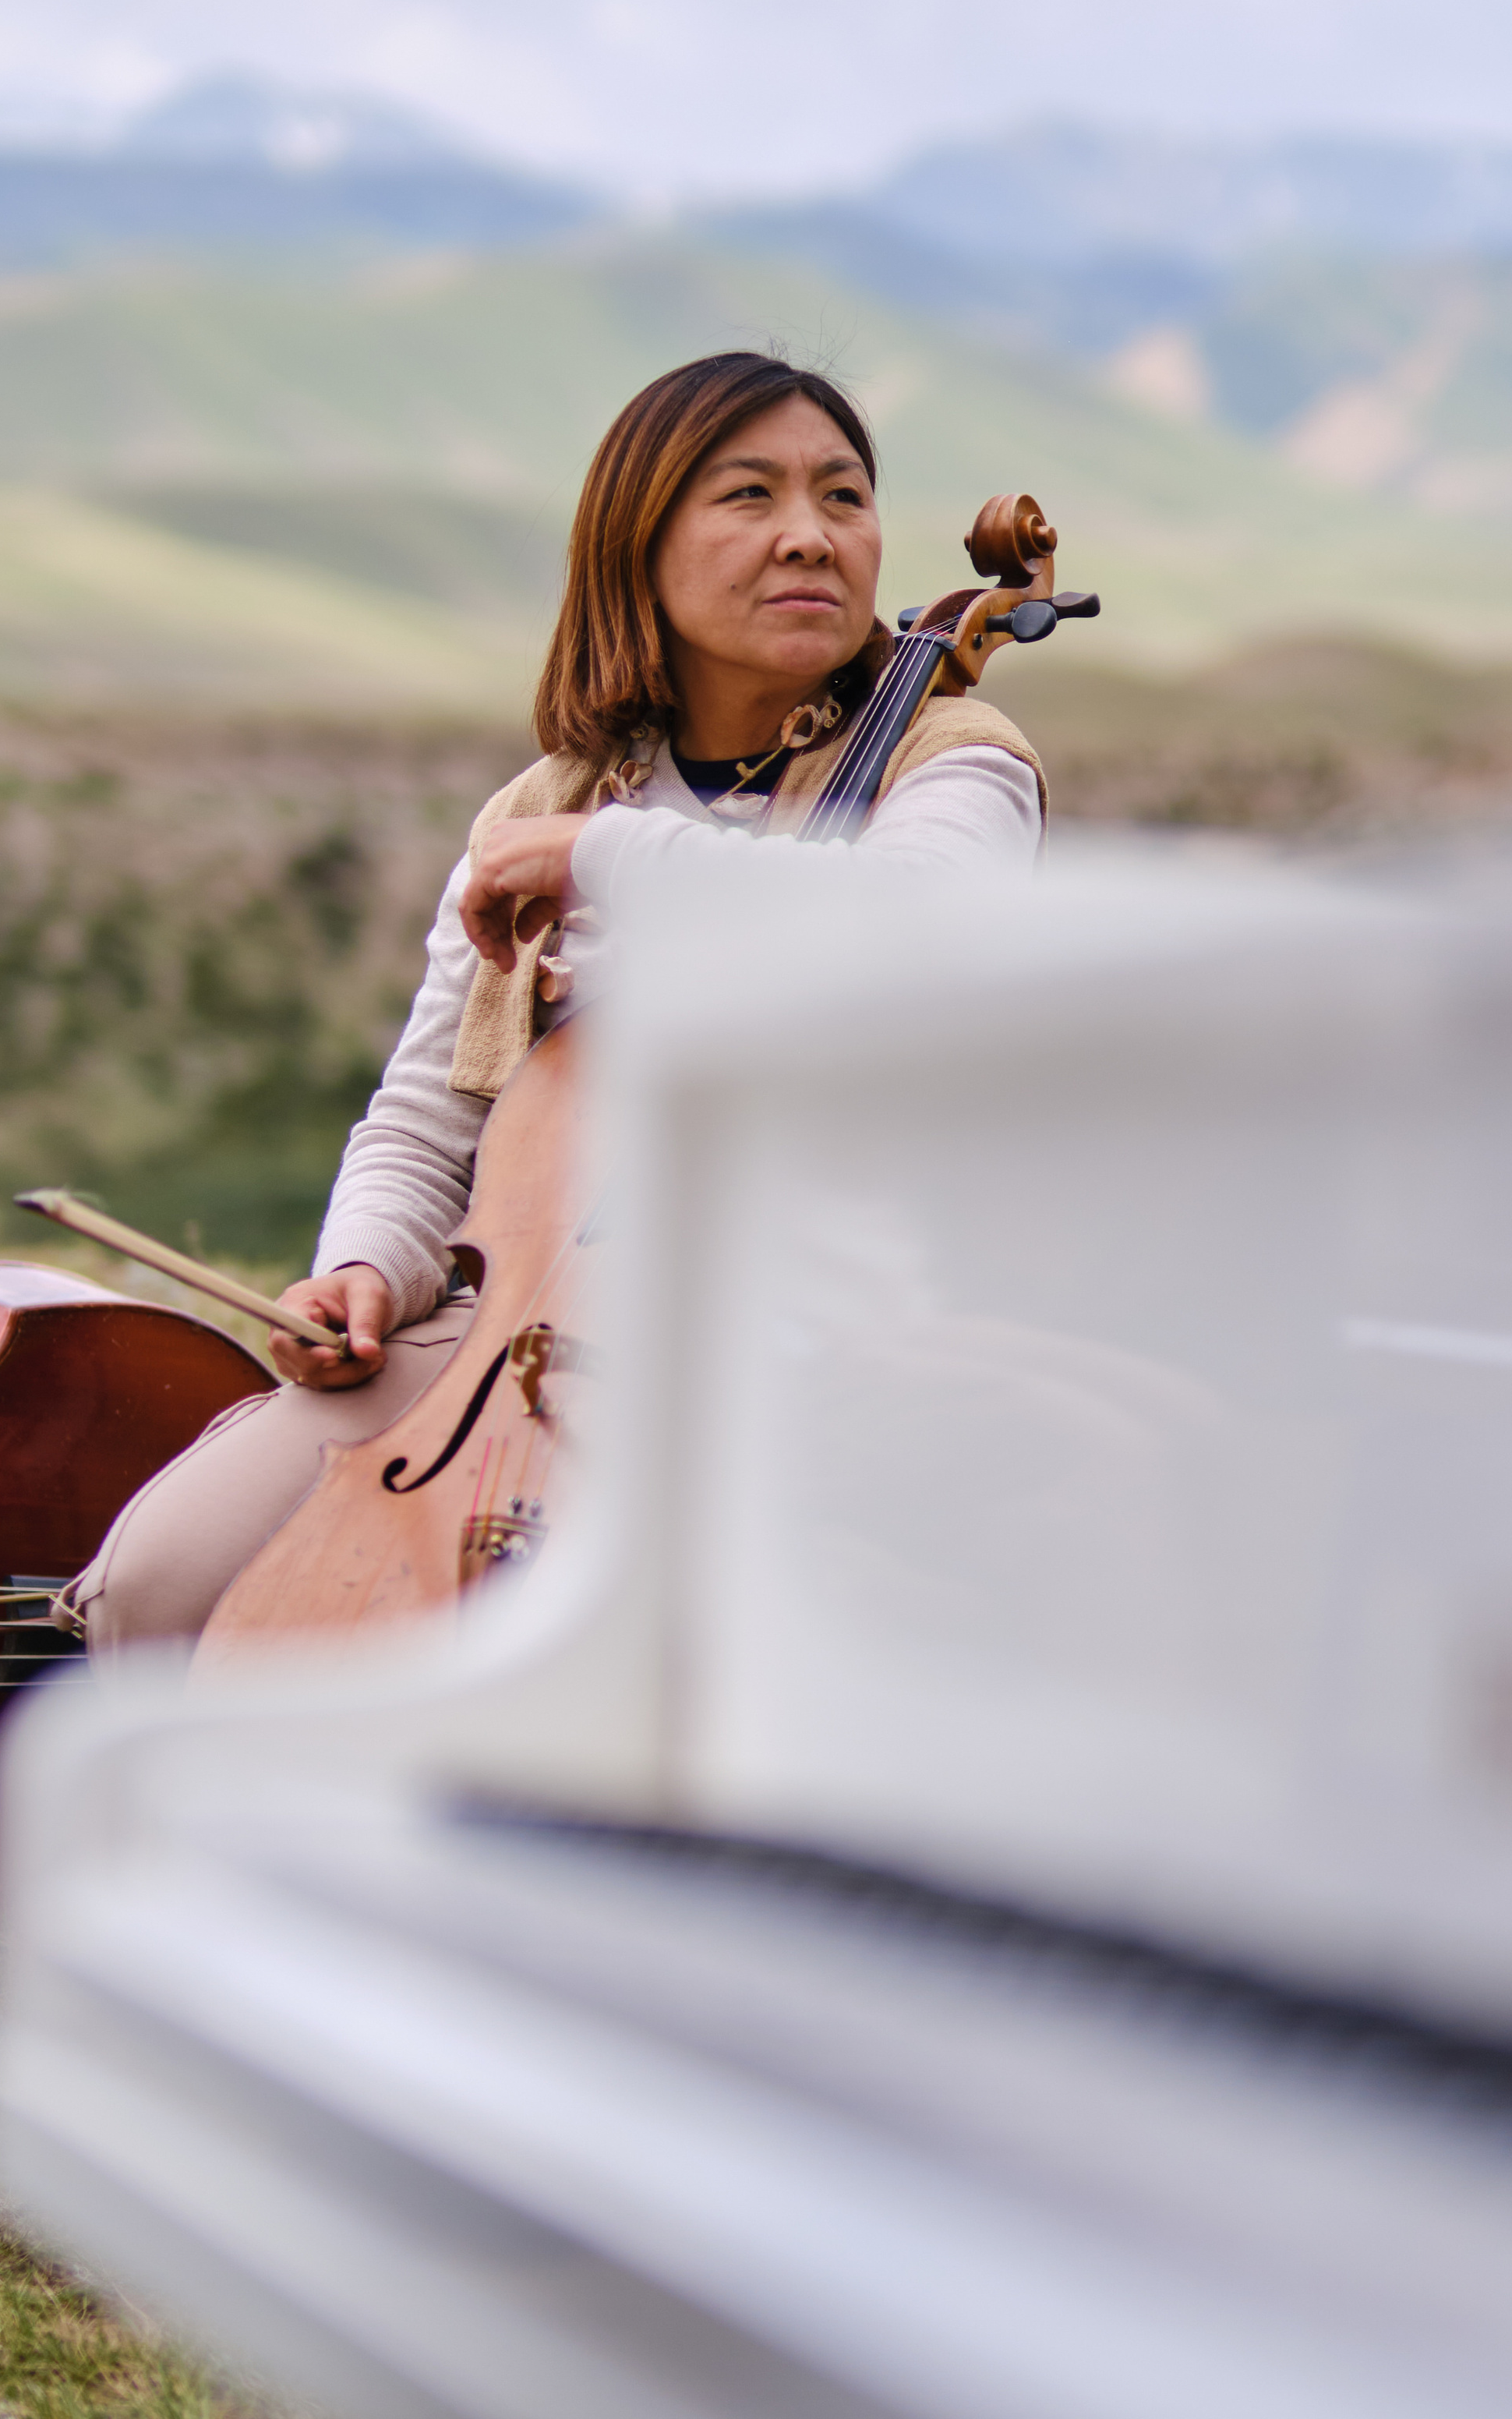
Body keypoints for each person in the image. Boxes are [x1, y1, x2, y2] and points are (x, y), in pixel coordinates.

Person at [65, 350, 1046, 1653]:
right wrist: (362, 1269)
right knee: (166, 1585)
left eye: (843, 497)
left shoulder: (955, 762)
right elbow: (430, 1120)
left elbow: (916, 933)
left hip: (812, 1337)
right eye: (748, 496)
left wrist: (601, 861)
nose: (809, 537)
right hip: (511, 1341)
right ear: (638, 543)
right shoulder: (542, 806)